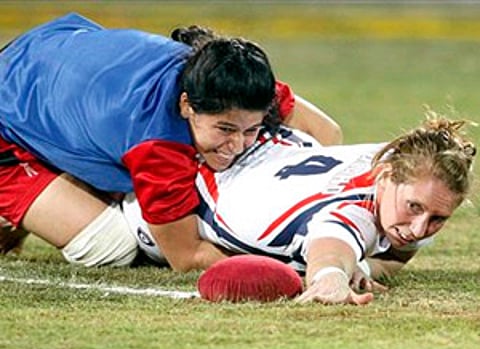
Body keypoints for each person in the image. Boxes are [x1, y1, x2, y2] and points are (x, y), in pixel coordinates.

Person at [0, 13, 341, 270]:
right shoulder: (157, 143)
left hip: (49, 58)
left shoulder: (230, 80)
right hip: (9, 106)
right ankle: (17, 208)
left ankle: (40, 198)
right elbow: (186, 255)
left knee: (117, 174)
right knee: (112, 244)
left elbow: (327, 133)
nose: (237, 145)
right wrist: (310, 265)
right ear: (185, 105)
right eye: (224, 130)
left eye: (250, 130)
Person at [123, 111, 476, 305]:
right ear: (384, 175)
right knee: (95, 239)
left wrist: (363, 265)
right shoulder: (355, 213)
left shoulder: (405, 164)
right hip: (177, 187)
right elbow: (332, 244)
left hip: (255, 142)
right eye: (414, 208)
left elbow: (395, 251)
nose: (418, 228)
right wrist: (330, 277)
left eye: (438, 219)